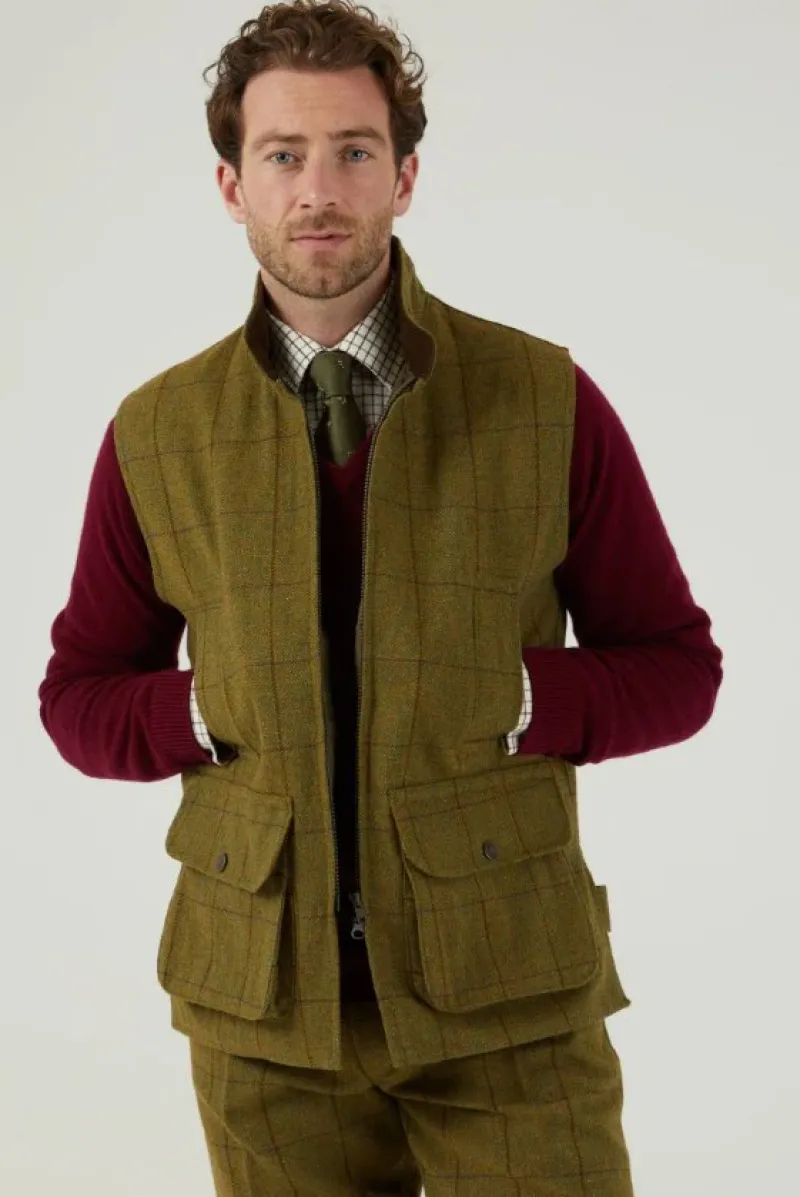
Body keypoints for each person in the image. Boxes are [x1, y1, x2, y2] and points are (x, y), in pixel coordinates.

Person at [38, 2, 724, 1193]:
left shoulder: (542, 398)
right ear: (231, 186)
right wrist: (205, 707)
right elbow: (78, 698)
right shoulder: (157, 433)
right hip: (262, 1015)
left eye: (353, 151)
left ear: (403, 177)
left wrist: (511, 694)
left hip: (506, 993)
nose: (318, 190)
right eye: (282, 155)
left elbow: (675, 667)